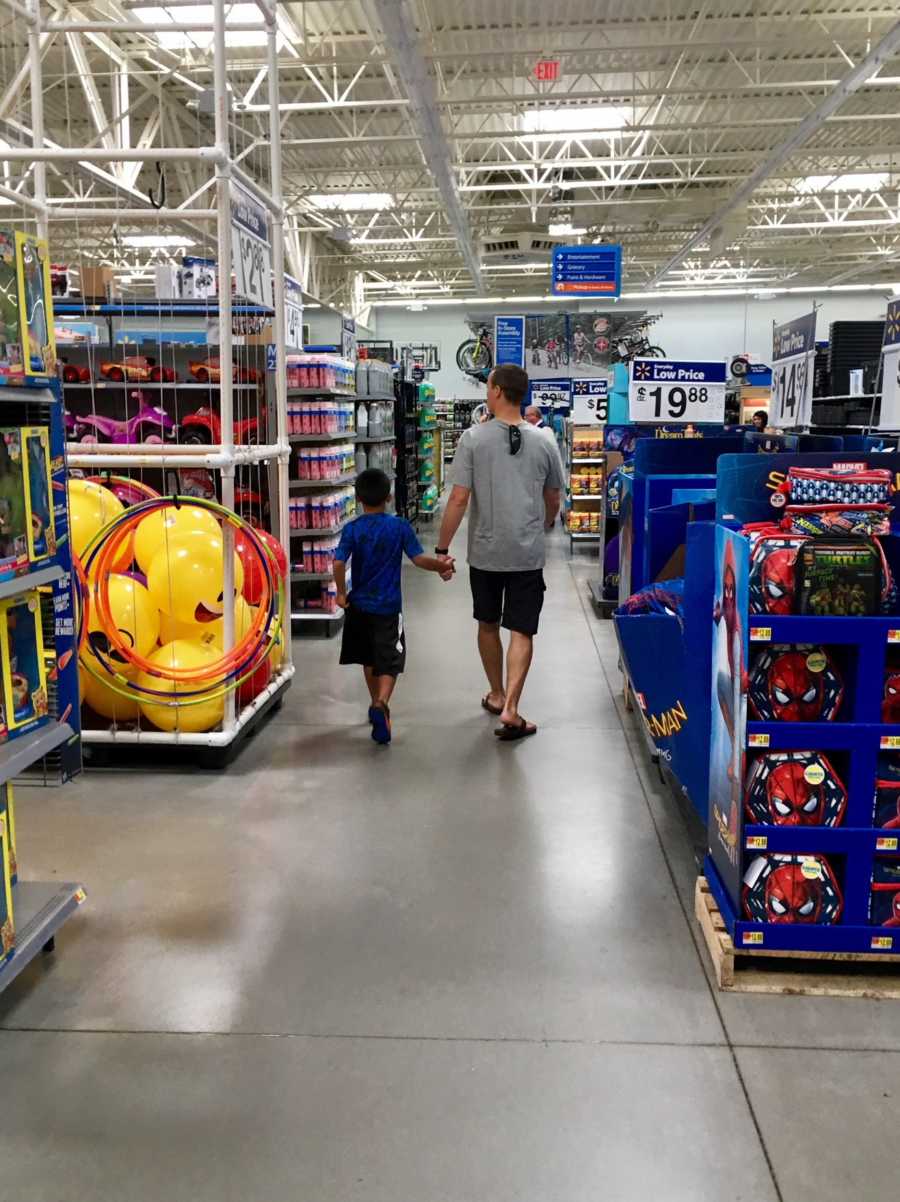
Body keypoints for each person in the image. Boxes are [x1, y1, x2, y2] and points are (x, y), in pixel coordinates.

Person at [436, 364, 564, 741]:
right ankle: (511, 706)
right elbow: (553, 496)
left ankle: (495, 692)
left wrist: (442, 547)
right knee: (522, 629)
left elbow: (459, 498)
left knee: (488, 624)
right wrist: (543, 524)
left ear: (495, 391)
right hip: (526, 552)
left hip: (486, 551)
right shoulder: (544, 441)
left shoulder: (472, 439)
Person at [334, 468, 454, 745]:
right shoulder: (398, 527)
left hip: (359, 606)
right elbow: (419, 559)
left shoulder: (352, 529)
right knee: (389, 659)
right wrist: (440, 566)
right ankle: (382, 702)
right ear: (388, 497)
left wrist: (342, 593)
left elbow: (339, 562)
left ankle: (374, 701)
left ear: (358, 497)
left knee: (368, 657)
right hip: (388, 606)